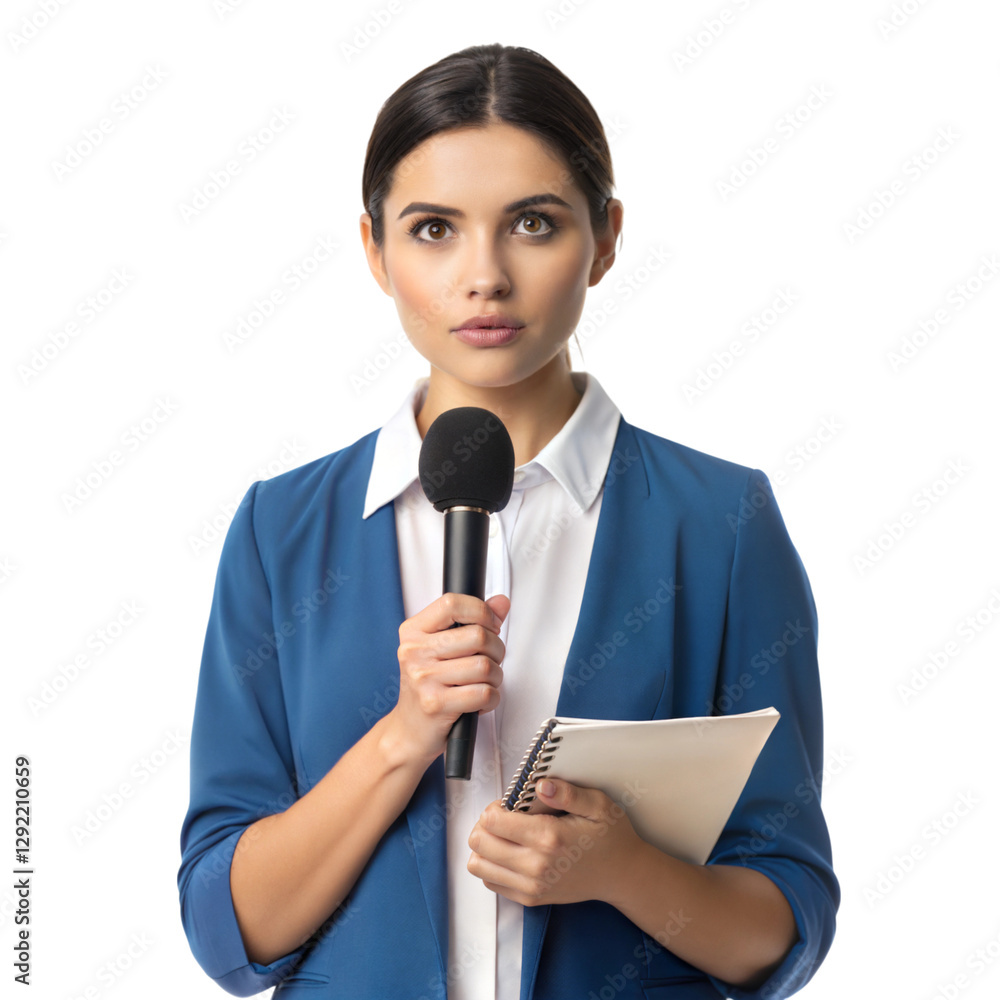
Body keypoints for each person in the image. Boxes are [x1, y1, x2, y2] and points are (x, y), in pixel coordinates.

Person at [177, 42, 838, 1000]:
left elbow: (784, 927)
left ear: (605, 238)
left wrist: (626, 873)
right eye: (434, 228)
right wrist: (404, 734)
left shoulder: (722, 525)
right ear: (374, 249)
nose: (483, 276)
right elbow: (228, 930)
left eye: (532, 222)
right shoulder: (282, 532)